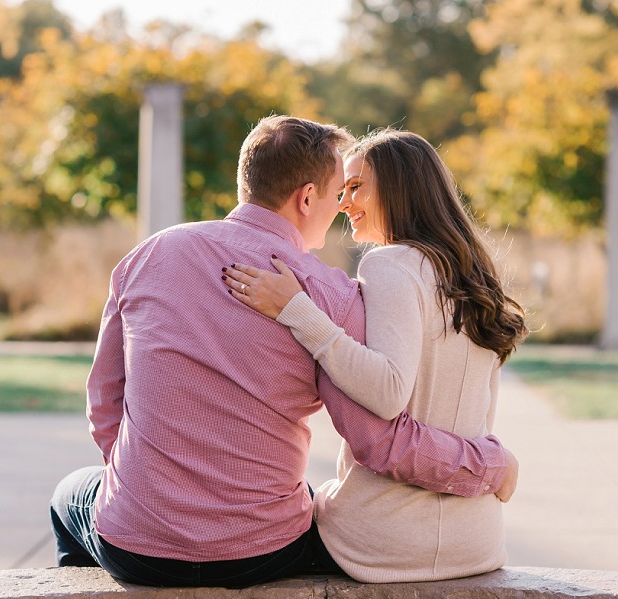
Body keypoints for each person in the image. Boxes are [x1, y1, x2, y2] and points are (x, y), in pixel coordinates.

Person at [49, 116, 518, 589]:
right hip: (262, 551)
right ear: (308, 197)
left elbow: (105, 403)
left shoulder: (149, 255)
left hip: (136, 547)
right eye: (339, 192)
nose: (342, 206)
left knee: (68, 494)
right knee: (309, 502)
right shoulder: (333, 295)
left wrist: (154, 495)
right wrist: (490, 465)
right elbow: (379, 442)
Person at [221, 127, 528, 582]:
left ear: (402, 187)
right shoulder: (472, 277)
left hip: (386, 546)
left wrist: (296, 310)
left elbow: (387, 392)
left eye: (356, 187)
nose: (343, 203)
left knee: (262, 517)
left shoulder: (389, 264)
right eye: (342, 189)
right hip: (477, 542)